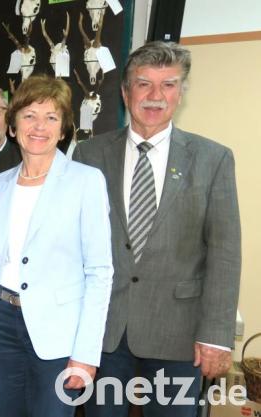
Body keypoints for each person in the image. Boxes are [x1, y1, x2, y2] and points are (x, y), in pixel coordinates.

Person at [74, 41, 241, 417]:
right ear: (124, 91)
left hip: (179, 335)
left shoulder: (213, 159)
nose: (155, 96)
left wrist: (216, 335)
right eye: (144, 83)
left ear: (181, 93)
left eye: (168, 84)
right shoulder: (89, 155)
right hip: (104, 331)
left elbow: (225, 254)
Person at [0, 74, 114, 417]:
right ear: (13, 127)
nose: (39, 126)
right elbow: (0, 258)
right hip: (2, 325)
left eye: (51, 117)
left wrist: (86, 353)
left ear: (64, 129)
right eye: (29, 116)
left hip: (60, 331)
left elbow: (100, 272)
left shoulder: (86, 181)